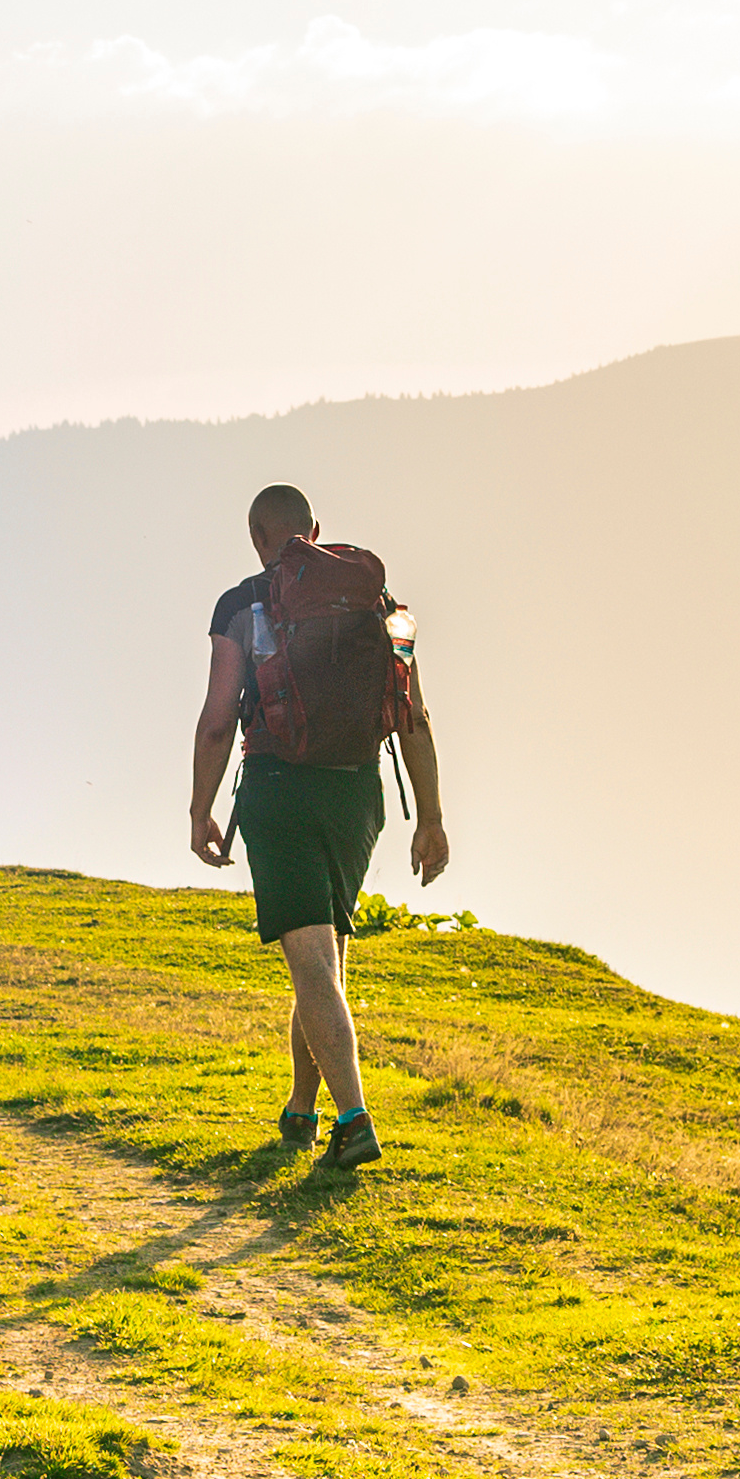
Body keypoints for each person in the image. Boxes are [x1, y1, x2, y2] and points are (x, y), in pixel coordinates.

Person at [189, 481, 453, 1170]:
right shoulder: (385, 606)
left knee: (311, 964)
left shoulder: (243, 603)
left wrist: (201, 811)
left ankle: (355, 1119)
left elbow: (219, 719)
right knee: (324, 959)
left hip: (280, 791)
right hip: (358, 793)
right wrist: (432, 818)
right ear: (315, 528)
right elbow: (414, 717)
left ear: (258, 536)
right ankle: (302, 1112)